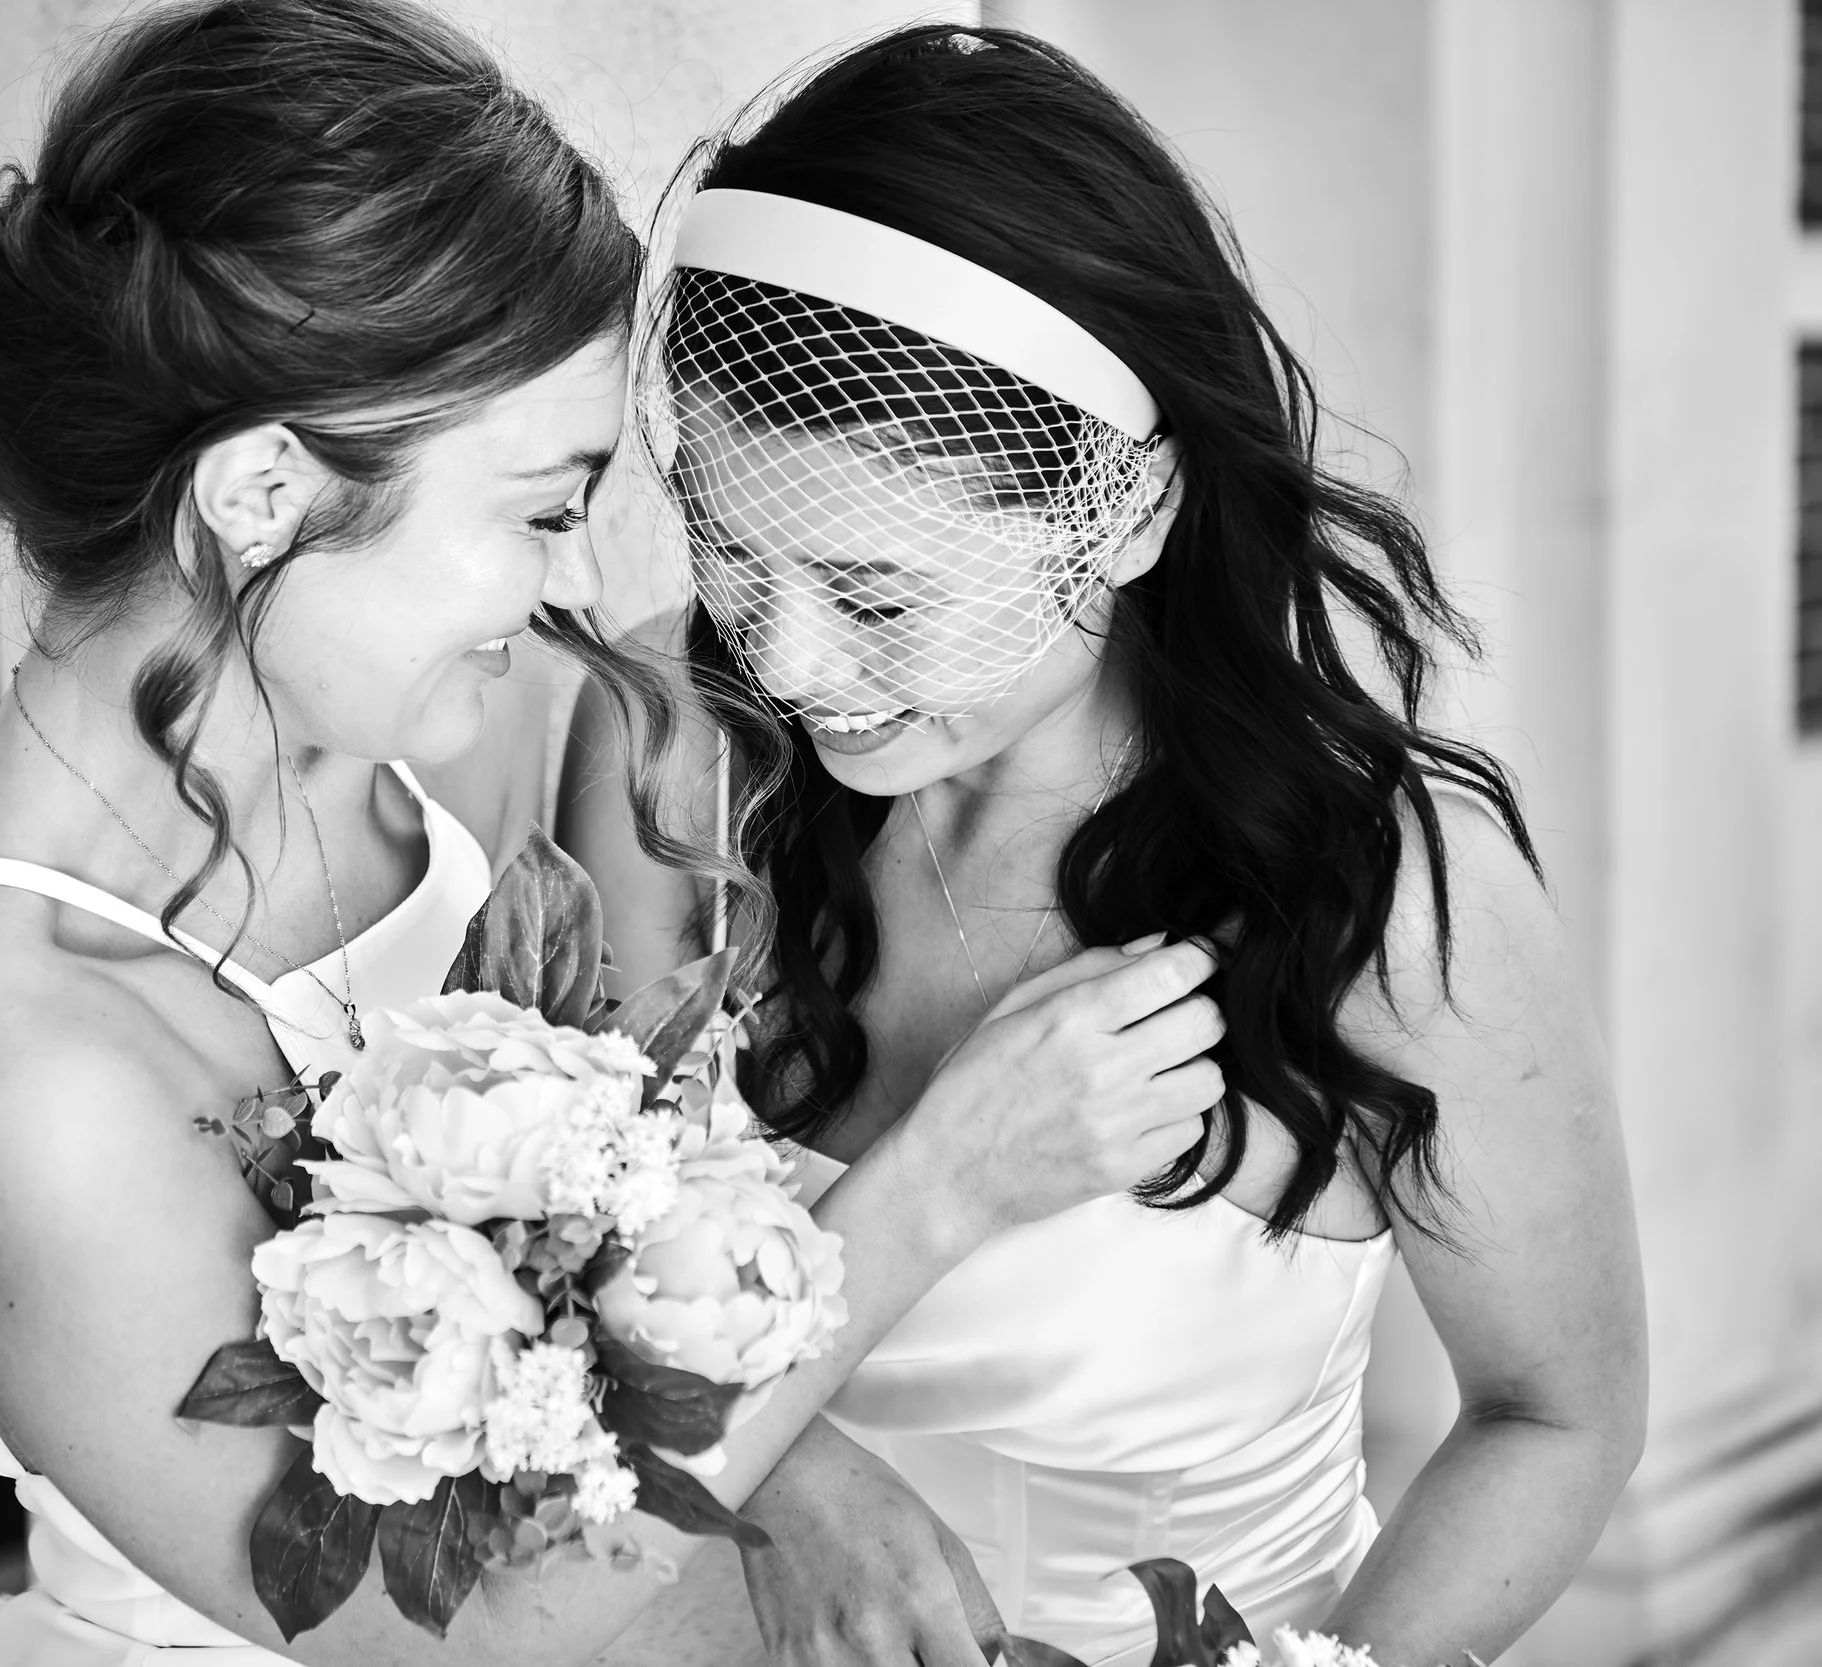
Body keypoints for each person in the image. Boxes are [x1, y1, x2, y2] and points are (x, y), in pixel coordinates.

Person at [0, 4, 1224, 1663]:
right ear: (264, 493)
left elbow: (576, 1328)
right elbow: (438, 1635)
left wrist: (800, 1462)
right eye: (545, 508)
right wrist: (935, 1188)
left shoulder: (358, 750)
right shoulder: (11, 1052)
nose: (573, 586)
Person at [560, 24, 1647, 1667]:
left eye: (874, 594)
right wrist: (791, 1474)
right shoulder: (675, 745)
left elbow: (1556, 1417)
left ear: (1128, 510)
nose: (783, 654)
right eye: (730, 544)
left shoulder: (1385, 892)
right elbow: (576, 1276)